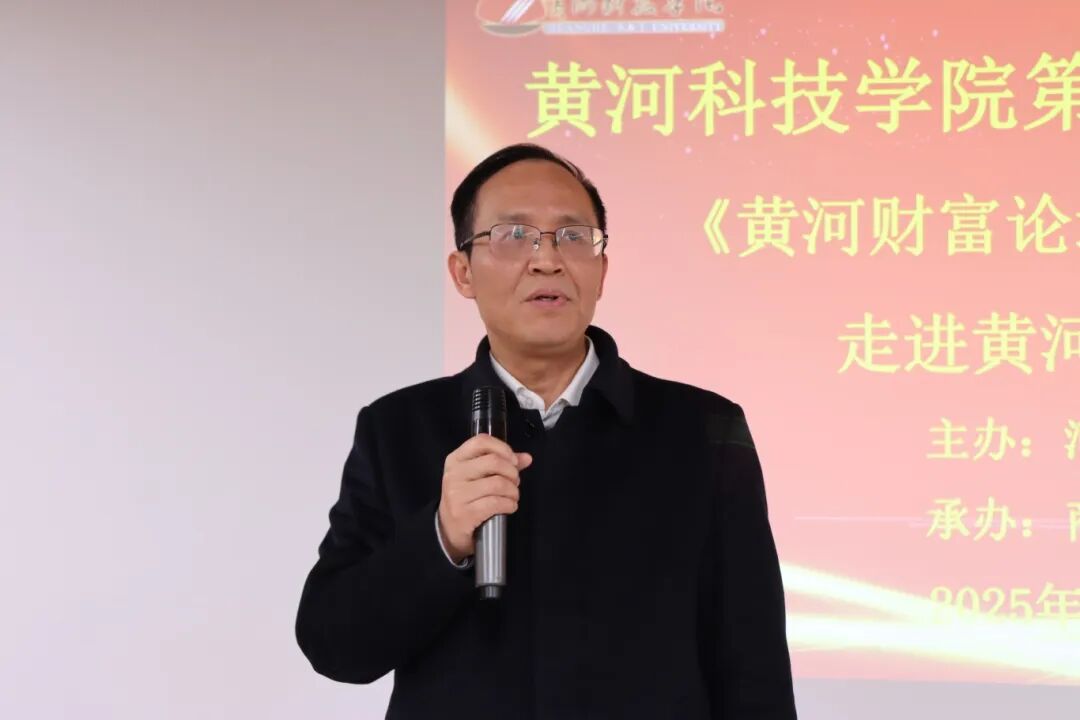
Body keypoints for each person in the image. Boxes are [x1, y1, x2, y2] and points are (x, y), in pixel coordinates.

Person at [295, 143, 797, 718]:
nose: (547, 259)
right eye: (514, 235)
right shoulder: (398, 428)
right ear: (463, 272)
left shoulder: (703, 429)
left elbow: (753, 663)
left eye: (573, 236)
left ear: (602, 271)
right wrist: (442, 537)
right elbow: (335, 645)